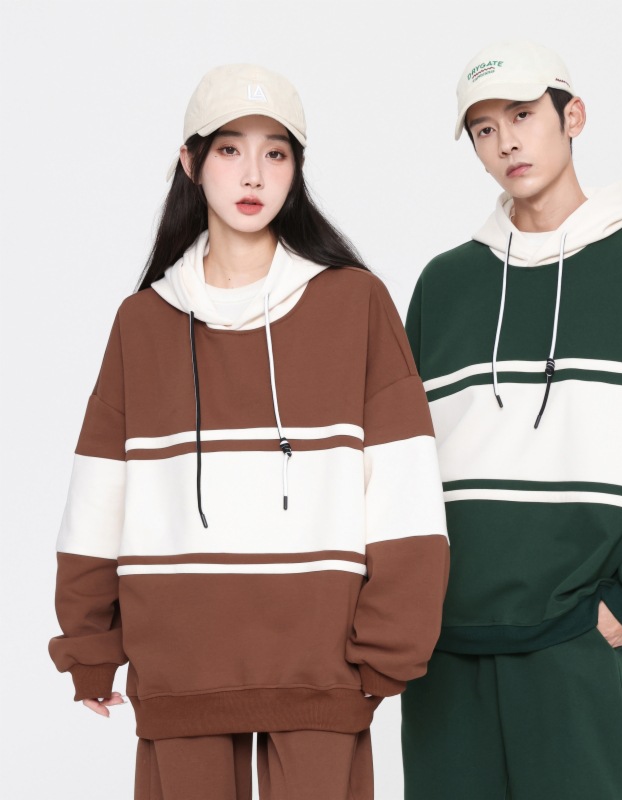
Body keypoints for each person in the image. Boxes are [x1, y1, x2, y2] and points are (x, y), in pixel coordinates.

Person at [48, 63, 449, 800]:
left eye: (276, 152)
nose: (253, 174)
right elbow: (98, 495)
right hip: (181, 664)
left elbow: (405, 487)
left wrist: (390, 646)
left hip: (322, 665)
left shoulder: (356, 303)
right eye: (230, 149)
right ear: (190, 162)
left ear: (297, 169)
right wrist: (89, 645)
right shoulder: (143, 323)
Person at [401, 41, 622, 799]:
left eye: (523, 115)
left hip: (576, 640)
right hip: (445, 651)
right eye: (484, 129)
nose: (506, 142)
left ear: (572, 116)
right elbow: (398, 463)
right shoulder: (445, 284)